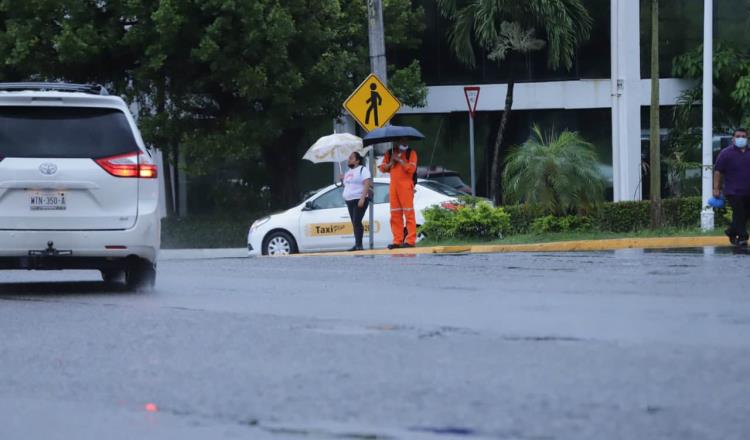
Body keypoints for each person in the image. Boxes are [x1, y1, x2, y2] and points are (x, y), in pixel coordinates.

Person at [379, 138, 418, 249]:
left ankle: (410, 240)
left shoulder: (411, 153)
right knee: (395, 214)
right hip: (393, 187)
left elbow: (411, 169)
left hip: (406, 186)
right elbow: (382, 168)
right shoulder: (389, 152)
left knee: (409, 214)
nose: (403, 141)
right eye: (400, 139)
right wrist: (392, 161)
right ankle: (397, 240)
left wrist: (400, 160)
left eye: (405, 139)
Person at [714, 128, 750, 246]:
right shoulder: (726, 153)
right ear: (733, 139)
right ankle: (743, 237)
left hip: (748, 191)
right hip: (733, 191)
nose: (741, 138)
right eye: (738, 136)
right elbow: (718, 172)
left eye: (744, 136)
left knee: (745, 214)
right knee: (739, 212)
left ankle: (731, 232)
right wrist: (716, 188)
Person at [341, 152, 371, 251]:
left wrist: (362, 198)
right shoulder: (348, 172)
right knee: (354, 223)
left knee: (357, 221)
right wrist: (342, 180)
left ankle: (359, 245)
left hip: (359, 198)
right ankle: (357, 244)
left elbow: (367, 183)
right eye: (348, 158)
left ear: (357, 160)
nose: (349, 160)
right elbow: (347, 186)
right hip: (349, 200)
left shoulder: (363, 170)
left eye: (351, 158)